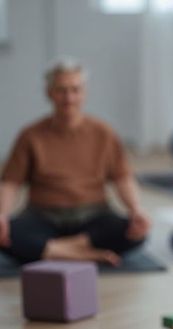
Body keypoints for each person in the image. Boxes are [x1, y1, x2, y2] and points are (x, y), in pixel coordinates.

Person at [0, 59, 150, 265]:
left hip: (93, 216)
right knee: (4, 234)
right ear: (49, 93)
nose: (69, 98)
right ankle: (84, 253)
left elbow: (122, 177)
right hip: (43, 216)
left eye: (75, 90)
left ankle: (54, 249)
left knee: (136, 233)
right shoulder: (30, 135)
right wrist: (2, 214)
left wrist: (136, 209)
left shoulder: (103, 133)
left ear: (84, 93)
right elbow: (11, 182)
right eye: (61, 90)